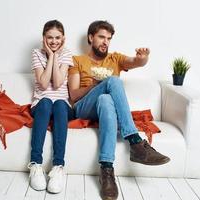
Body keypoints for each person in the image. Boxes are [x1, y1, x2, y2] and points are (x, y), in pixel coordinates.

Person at [68, 20, 170, 200]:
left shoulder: (115, 58)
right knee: (113, 81)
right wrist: (95, 84)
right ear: (91, 38)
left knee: (106, 99)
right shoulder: (77, 61)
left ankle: (107, 170)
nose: (105, 42)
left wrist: (142, 57)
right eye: (101, 37)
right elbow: (74, 95)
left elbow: (136, 62)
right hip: (83, 106)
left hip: (102, 105)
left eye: (108, 38)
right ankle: (135, 141)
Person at [28, 20, 74, 194]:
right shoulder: (36, 53)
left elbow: (58, 83)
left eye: (57, 38)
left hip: (61, 107)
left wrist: (55, 56)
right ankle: (35, 165)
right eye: (50, 38)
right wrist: (51, 54)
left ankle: (58, 167)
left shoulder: (67, 54)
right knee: (47, 101)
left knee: (61, 103)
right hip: (42, 105)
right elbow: (44, 82)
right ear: (44, 38)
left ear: (63, 39)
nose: (54, 41)